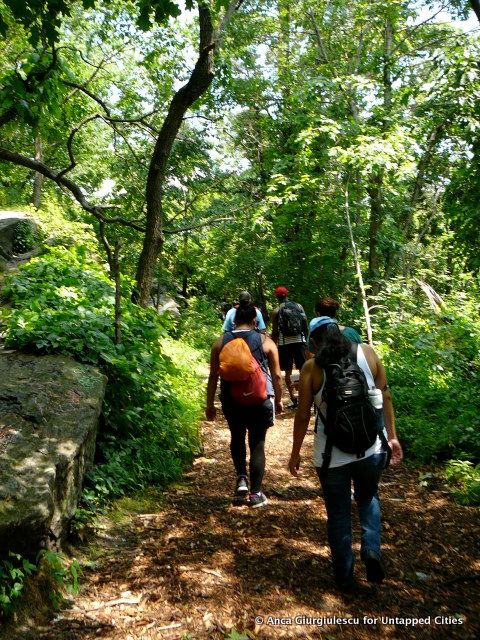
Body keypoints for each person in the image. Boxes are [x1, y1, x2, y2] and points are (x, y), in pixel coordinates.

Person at [288, 316, 403, 591]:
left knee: (338, 514)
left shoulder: (311, 368)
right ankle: (372, 549)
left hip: (330, 457)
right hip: (370, 448)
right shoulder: (369, 353)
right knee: (368, 497)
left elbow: (303, 415)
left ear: (314, 343)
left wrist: (294, 454)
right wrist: (393, 437)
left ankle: (345, 578)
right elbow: (385, 396)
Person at [206, 299, 283, 508]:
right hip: (259, 399)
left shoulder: (220, 342)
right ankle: (256, 494)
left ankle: (241, 478)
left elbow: (213, 376)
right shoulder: (266, 341)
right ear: (254, 320)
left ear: (233, 320)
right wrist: (279, 399)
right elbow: (276, 375)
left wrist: (209, 404)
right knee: (257, 443)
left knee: (237, 437)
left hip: (232, 399)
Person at [271, 286, 308, 409]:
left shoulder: (276, 311)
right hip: (300, 342)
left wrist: (272, 346)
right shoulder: (298, 307)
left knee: (287, 373)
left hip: (284, 344)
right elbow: (305, 325)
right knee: (303, 371)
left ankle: (293, 399)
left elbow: (275, 332)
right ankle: (305, 396)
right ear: (287, 294)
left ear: (276, 297)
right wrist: (307, 342)